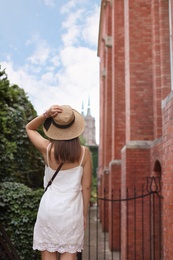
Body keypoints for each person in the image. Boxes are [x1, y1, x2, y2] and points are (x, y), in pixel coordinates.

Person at [26, 104, 92, 260]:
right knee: (69, 254)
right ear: (75, 128)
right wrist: (84, 215)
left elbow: (30, 128)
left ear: (54, 128)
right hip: (72, 212)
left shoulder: (47, 149)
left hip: (49, 209)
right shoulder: (84, 153)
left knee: (48, 253)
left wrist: (45, 114)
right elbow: (87, 186)